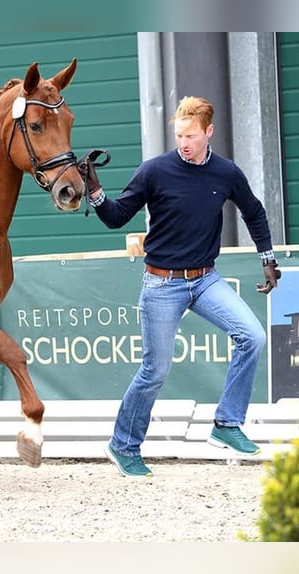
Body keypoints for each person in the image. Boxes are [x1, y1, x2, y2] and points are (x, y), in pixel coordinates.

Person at [79, 96, 282, 477]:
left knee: (252, 336)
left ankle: (226, 424)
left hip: (206, 279)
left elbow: (254, 212)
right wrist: (96, 193)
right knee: (155, 370)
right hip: (161, 284)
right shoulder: (155, 170)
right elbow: (117, 216)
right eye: (178, 136)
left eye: (190, 135)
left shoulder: (226, 173)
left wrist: (267, 260)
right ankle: (123, 446)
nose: (183, 143)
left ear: (209, 132)